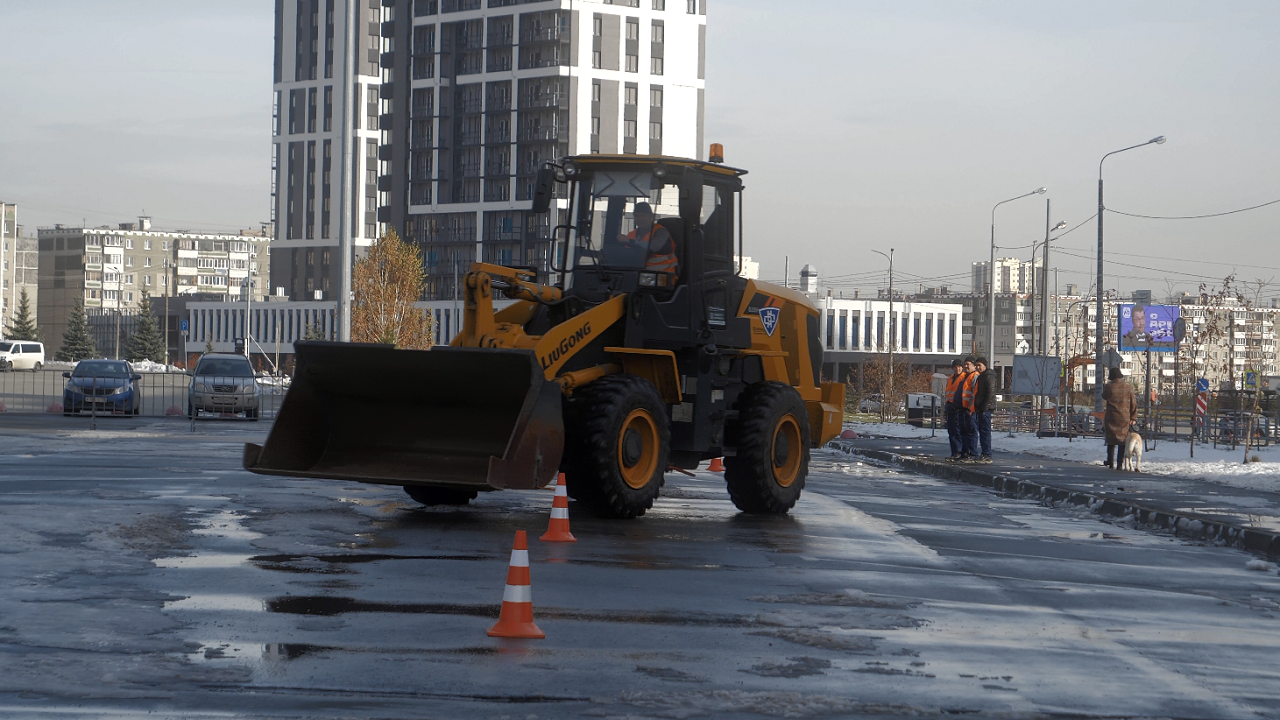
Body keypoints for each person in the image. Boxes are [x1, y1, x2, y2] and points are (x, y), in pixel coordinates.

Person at [618, 202, 678, 276]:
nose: (640, 219)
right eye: (637, 216)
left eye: (643, 216)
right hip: (640, 274)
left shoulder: (661, 232)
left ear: (651, 216)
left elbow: (652, 247)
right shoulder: (631, 234)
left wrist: (629, 241)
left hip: (662, 276)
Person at [1102, 366, 1137, 469]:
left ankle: (1110, 461)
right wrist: (1133, 417)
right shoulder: (1128, 387)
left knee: (1111, 441)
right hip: (1124, 418)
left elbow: (1104, 396)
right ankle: (1120, 463)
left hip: (1111, 417)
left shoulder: (1109, 387)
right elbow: (1133, 403)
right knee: (1123, 441)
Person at [955, 356, 981, 462]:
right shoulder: (966, 376)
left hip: (970, 410)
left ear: (974, 366)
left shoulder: (975, 376)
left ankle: (972, 453)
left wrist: (972, 408)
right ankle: (964, 452)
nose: (966, 366)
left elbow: (975, 393)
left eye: (968, 364)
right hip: (963, 408)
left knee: (971, 431)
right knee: (964, 431)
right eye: (965, 364)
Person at [971, 356, 995, 463]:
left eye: (979, 365)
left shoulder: (989, 376)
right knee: (982, 431)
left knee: (985, 431)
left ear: (985, 365)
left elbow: (990, 393)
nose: (977, 368)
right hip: (980, 408)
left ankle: (987, 454)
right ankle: (984, 453)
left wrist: (984, 408)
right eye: (976, 366)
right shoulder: (982, 376)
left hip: (985, 409)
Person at [943, 358, 967, 461]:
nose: (957, 369)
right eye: (955, 367)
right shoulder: (951, 378)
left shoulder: (963, 378)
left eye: (959, 367)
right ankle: (954, 452)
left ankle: (959, 451)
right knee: (951, 431)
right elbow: (948, 394)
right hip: (950, 407)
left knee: (957, 431)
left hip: (957, 407)